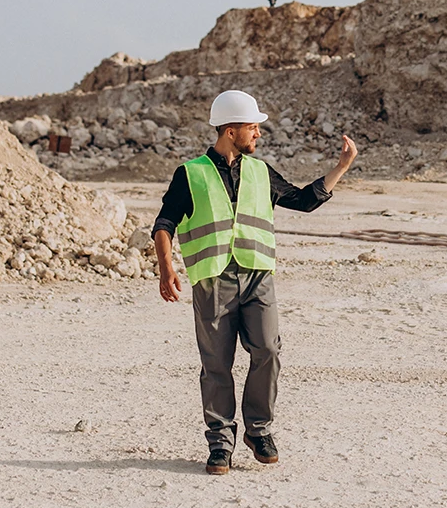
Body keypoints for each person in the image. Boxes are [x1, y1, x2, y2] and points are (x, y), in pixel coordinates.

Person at [151, 89, 358, 475]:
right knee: (217, 364)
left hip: (258, 275)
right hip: (213, 279)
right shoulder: (191, 173)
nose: (258, 134)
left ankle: (258, 431)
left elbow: (302, 200)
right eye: (253, 127)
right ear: (231, 131)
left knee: (268, 349)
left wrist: (342, 166)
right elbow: (164, 224)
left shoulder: (261, 172)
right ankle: (220, 443)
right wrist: (167, 268)